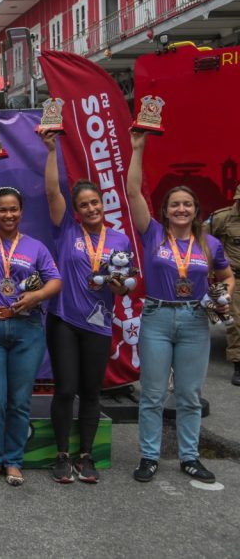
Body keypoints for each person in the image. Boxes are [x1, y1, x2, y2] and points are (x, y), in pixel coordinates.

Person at [127, 131, 234, 484]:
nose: (181, 209)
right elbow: (132, 193)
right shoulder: (152, 233)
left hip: (194, 320)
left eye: (187, 204)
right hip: (157, 317)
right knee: (153, 394)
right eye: (175, 204)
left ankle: (190, 457)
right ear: (165, 210)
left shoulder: (211, 243)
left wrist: (224, 294)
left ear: (196, 210)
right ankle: (149, 456)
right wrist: (138, 149)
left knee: (189, 395)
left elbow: (226, 276)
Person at [0, 153, 62, 487]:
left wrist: (36, 296)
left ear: (21, 212)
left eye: (13, 209)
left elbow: (55, 281)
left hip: (27, 329)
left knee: (19, 401)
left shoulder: (35, 247)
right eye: (2, 209)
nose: (8, 214)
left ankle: (13, 461)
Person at [39, 128, 132, 484]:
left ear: (103, 204)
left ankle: (86, 455)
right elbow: (51, 191)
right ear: (75, 211)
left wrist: (118, 286)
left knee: (91, 391)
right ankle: (62, 456)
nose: (91, 208)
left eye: (95, 202)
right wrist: (51, 150)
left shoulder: (120, 239)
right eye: (84, 205)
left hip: (99, 324)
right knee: (65, 389)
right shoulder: (66, 231)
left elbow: (125, 286)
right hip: (64, 319)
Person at [209, 182, 240, 386]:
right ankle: (238, 364)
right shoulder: (222, 218)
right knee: (236, 322)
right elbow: (206, 241)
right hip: (235, 277)